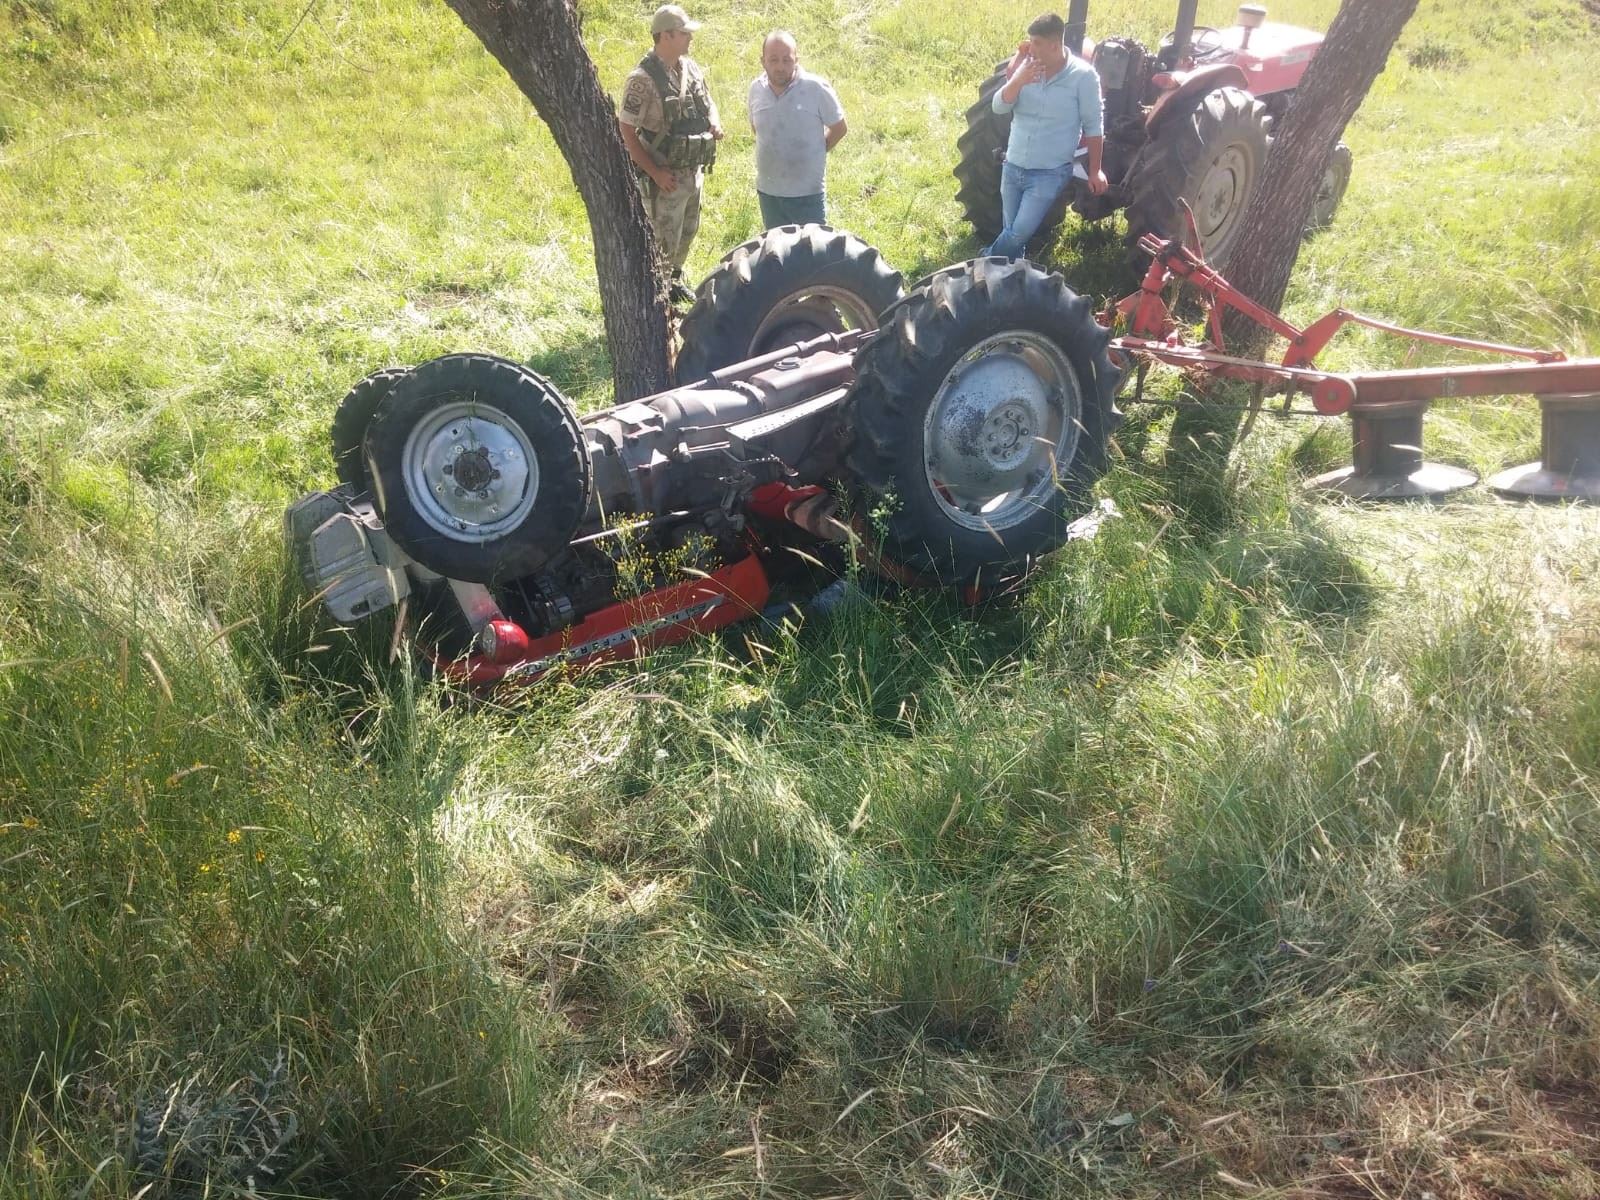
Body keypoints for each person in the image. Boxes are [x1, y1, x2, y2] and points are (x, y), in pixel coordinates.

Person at [618, 4, 724, 303]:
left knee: (687, 231)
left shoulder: (689, 67)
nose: (690, 38)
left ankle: (674, 281)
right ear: (665, 36)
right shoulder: (642, 79)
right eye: (684, 33)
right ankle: (656, 297)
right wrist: (655, 172)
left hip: (692, 171)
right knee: (662, 241)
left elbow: (709, 102)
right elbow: (626, 130)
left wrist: (714, 122)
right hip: (664, 178)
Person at [983, 12, 1107, 260]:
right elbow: (998, 107)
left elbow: (1094, 127)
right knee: (1012, 234)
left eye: (1036, 43)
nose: (1030, 48)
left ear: (1054, 45)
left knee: (1018, 233)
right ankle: (1010, 280)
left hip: (1048, 174)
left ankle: (984, 263)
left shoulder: (1083, 77)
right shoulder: (1025, 69)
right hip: (1013, 166)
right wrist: (1018, 80)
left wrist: (1095, 171)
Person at [747, 31, 848, 229]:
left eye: (787, 60)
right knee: (776, 252)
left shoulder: (816, 88)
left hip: (808, 193)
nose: (780, 67)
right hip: (770, 193)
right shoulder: (756, 90)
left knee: (812, 254)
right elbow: (757, 129)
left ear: (796, 60)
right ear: (763, 61)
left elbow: (839, 128)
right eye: (773, 60)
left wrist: (816, 150)